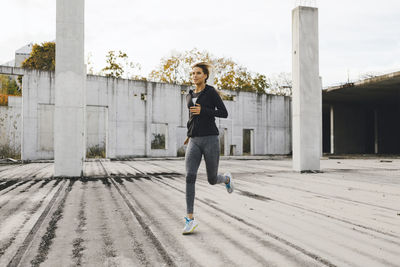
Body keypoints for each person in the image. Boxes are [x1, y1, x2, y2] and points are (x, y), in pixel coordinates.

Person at [182, 62, 234, 235]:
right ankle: (190, 219)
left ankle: (226, 179)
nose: (194, 76)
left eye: (198, 73)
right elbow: (191, 118)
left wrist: (204, 110)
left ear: (205, 75)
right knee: (190, 176)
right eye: (193, 73)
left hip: (211, 139)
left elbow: (223, 113)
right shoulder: (188, 95)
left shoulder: (210, 92)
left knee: (212, 179)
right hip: (194, 140)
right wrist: (189, 135)